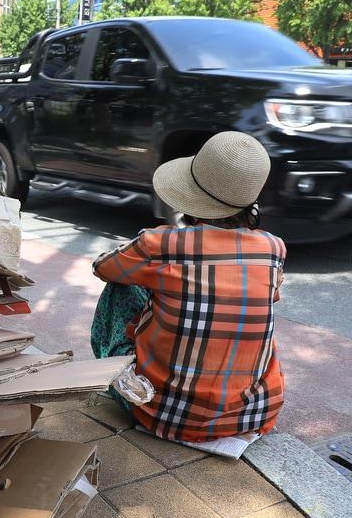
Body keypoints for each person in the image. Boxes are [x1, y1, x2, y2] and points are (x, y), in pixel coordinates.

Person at [91, 131, 286, 458]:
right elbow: (272, 297)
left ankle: (123, 377)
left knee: (121, 286)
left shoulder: (161, 244)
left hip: (159, 412)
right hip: (251, 416)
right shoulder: (273, 247)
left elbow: (103, 268)